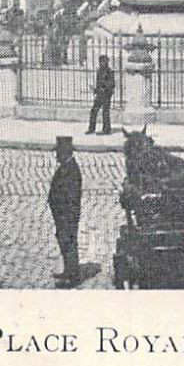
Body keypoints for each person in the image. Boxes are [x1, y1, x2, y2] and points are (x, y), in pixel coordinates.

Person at [48, 135, 83, 284]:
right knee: (64, 242)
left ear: (65, 153)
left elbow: (71, 197)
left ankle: (73, 277)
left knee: (69, 242)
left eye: (58, 153)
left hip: (67, 215)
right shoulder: (65, 167)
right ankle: (68, 271)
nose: (56, 156)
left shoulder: (72, 171)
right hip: (61, 215)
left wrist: (64, 213)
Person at [87, 54, 115, 135]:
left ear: (107, 62)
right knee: (93, 111)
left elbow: (112, 84)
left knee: (105, 112)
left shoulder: (109, 72)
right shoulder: (99, 71)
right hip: (99, 94)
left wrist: (105, 88)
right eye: (101, 61)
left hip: (106, 95)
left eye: (104, 61)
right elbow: (98, 83)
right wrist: (95, 89)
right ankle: (91, 128)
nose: (102, 63)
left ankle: (106, 130)